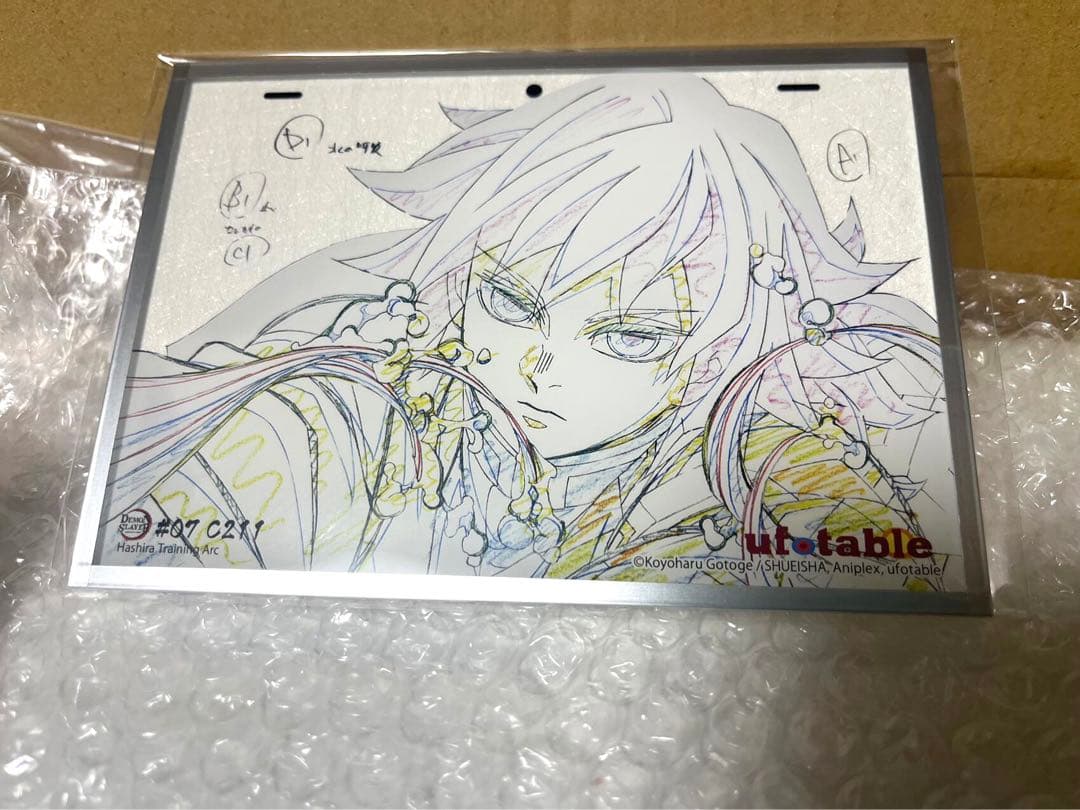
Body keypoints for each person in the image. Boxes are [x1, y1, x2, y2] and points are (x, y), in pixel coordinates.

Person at [100, 74, 961, 590]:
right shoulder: (361, 410)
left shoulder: (772, 469)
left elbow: (894, 608)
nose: (541, 367)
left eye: (629, 337)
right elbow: (208, 490)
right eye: (510, 301)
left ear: (710, 356)